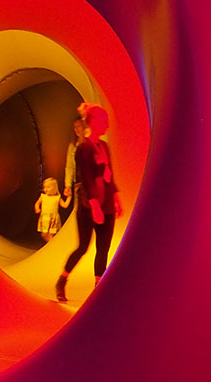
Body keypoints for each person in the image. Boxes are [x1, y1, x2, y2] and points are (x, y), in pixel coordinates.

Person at [55, 103, 122, 302]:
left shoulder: (104, 147)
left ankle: (98, 291)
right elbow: (86, 178)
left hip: (106, 204)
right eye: (104, 121)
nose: (107, 125)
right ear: (92, 122)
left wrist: (116, 198)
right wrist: (94, 206)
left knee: (103, 249)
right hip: (89, 206)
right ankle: (62, 280)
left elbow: (109, 176)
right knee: (83, 247)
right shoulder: (83, 149)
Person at [34, 177, 71, 242]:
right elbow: (37, 203)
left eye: (48, 187)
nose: (45, 189)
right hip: (44, 218)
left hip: (53, 220)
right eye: (44, 187)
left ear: (54, 187)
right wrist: (37, 208)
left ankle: (52, 245)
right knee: (44, 234)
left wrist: (69, 198)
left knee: (51, 234)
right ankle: (52, 243)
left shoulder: (57, 197)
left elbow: (65, 205)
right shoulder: (43, 196)